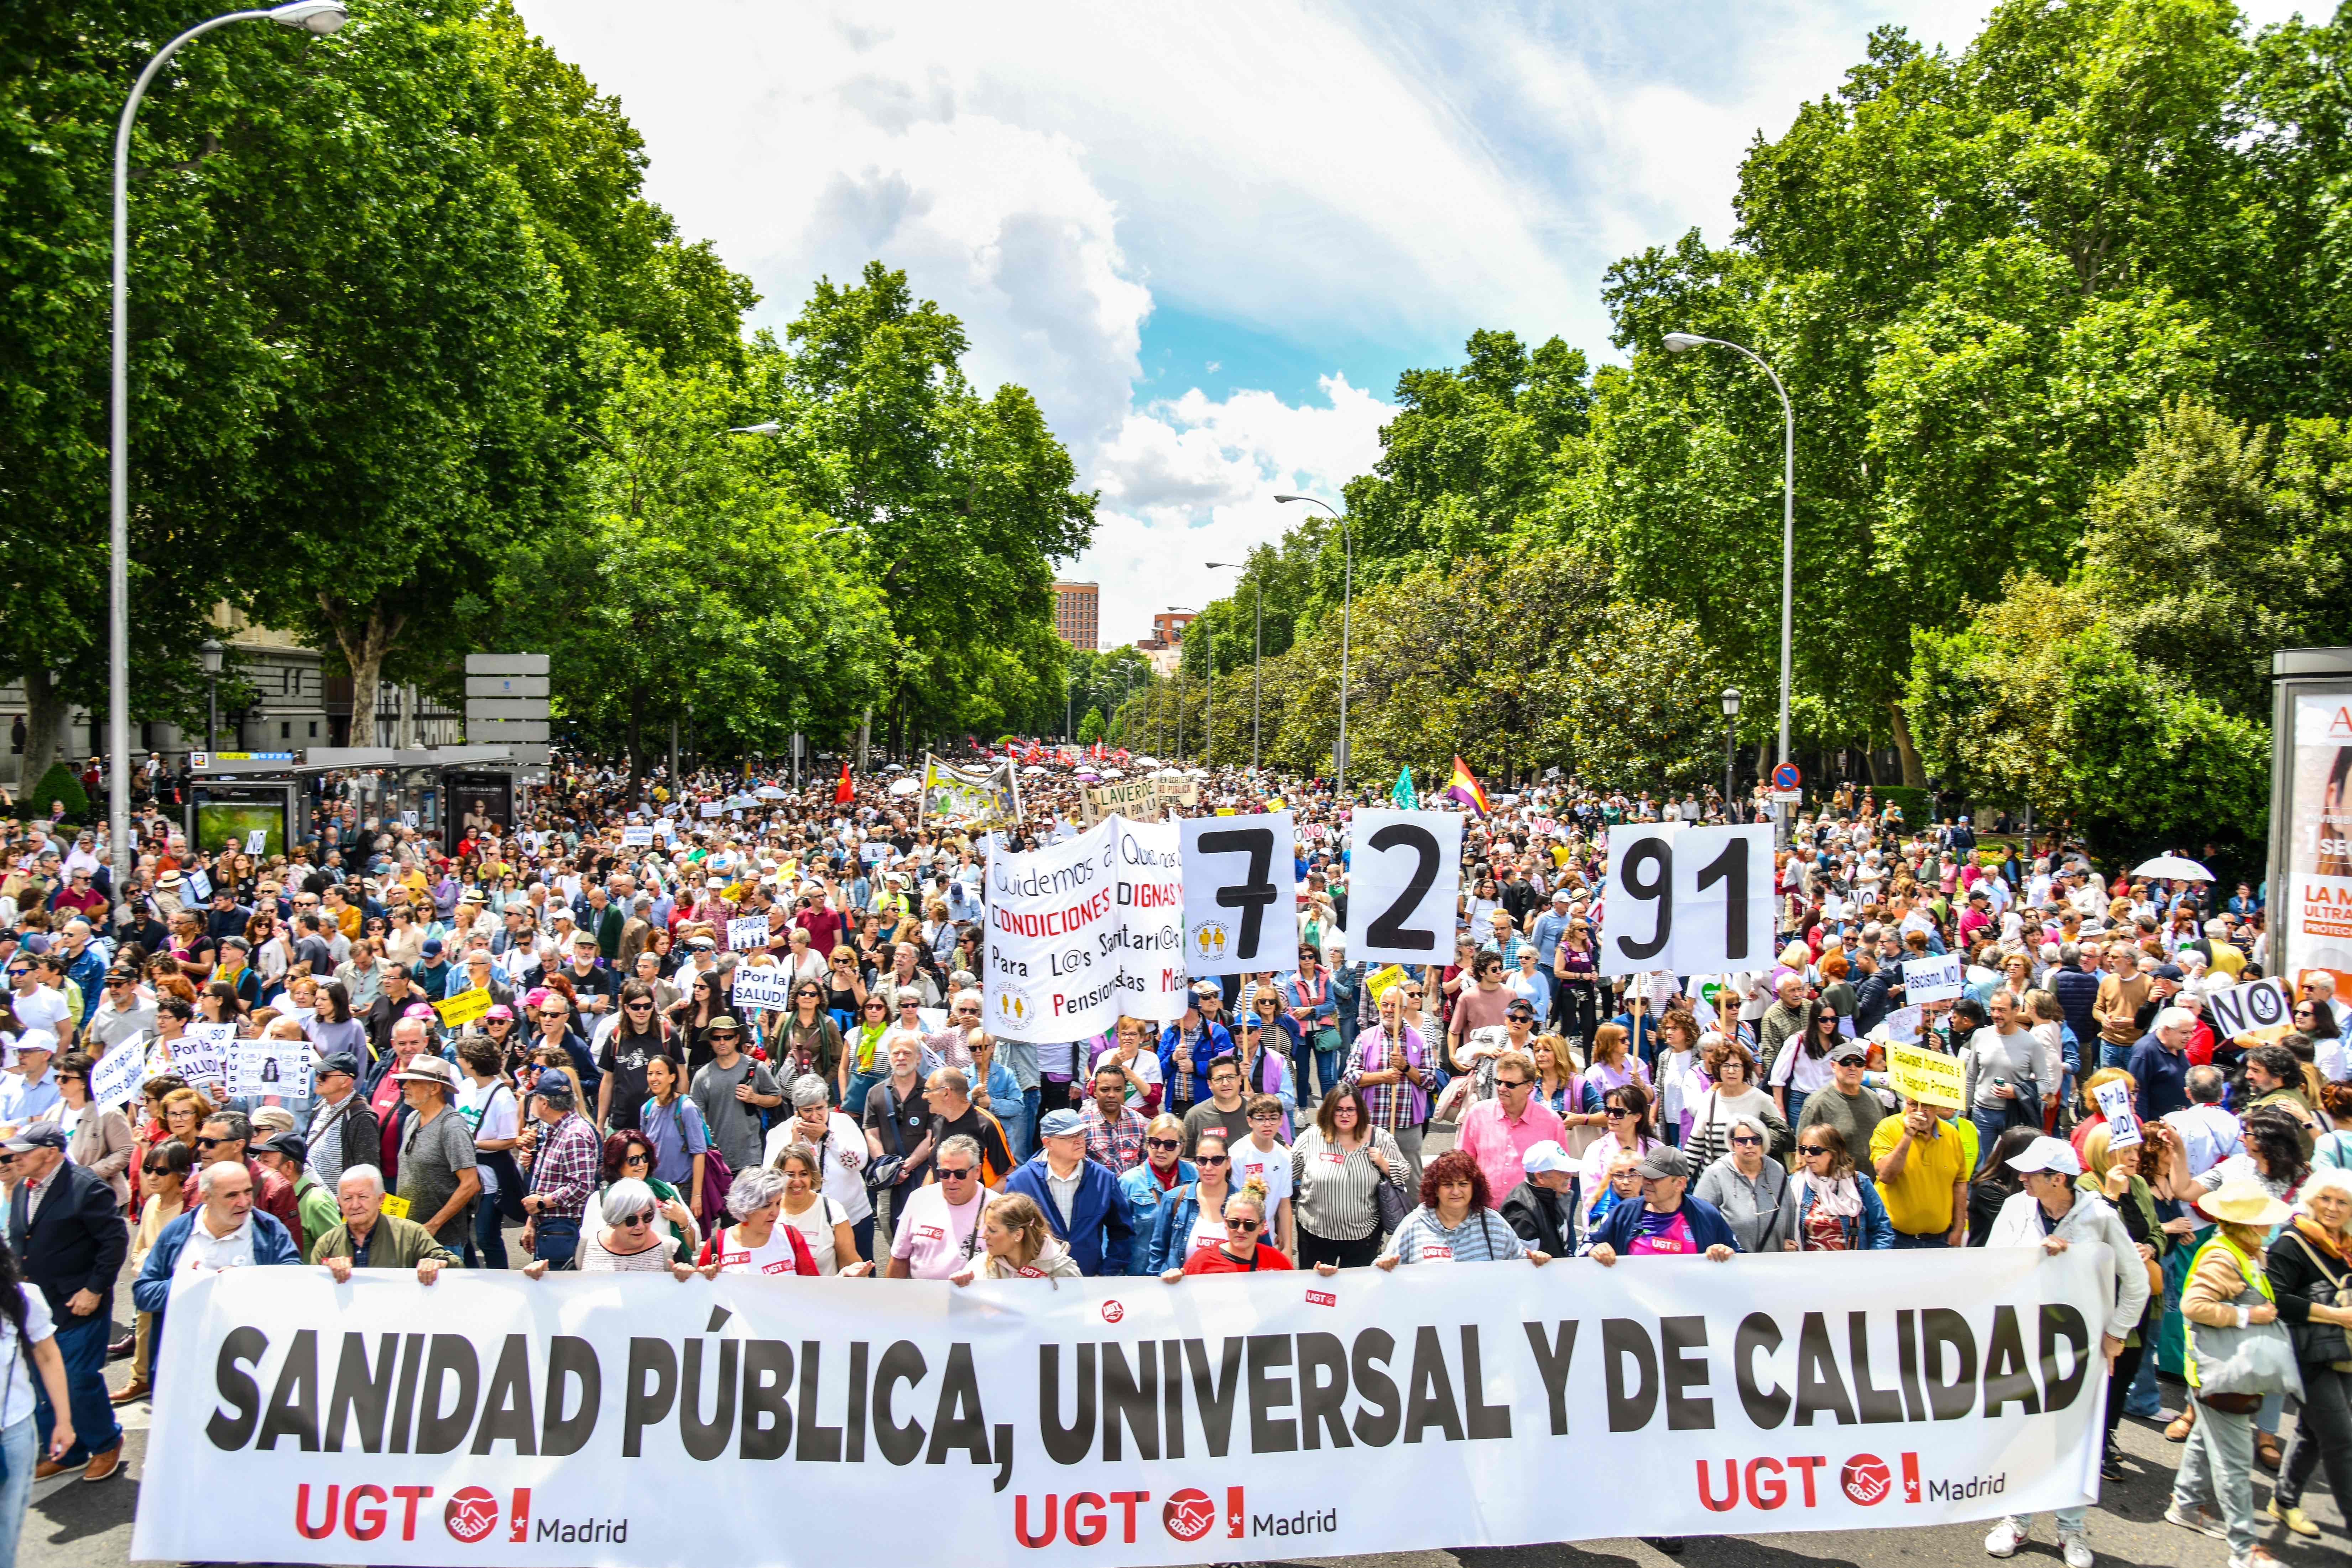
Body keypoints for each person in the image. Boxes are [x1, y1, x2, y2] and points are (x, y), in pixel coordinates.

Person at [1979, 1136, 2146, 1568]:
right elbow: (1990, 1264)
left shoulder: (2100, 1217)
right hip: (2022, 1340)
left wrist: (2115, 1333)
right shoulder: (2017, 1207)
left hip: (2080, 1347)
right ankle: (2016, 1518)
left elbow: (2136, 1281)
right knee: (2021, 1430)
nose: (2021, 1179)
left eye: (2032, 1173)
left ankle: (2070, 1529)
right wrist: (2038, 1256)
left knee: (2073, 1437)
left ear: (2058, 1178)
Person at [2166, 1179, 2299, 1566]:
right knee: (2235, 1461)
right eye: (2262, 1219)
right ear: (2249, 1224)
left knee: (2206, 1443)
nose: (2268, 1225)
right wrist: (2247, 1315)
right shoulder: (2222, 1257)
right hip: (2218, 1374)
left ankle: (2185, 1505)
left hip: (2218, 1371)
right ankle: (2244, 1549)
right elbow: (2193, 1305)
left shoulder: (2246, 1251)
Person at [2, 1125, 124, 1482]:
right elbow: (20, 1238)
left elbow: (114, 1241)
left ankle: (106, 1443)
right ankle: (67, 1451)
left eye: (24, 1151)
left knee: (77, 1379)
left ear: (51, 1152)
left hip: (78, 1305)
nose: (15, 1158)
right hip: (39, 1307)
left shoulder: (86, 1187)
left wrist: (94, 1289)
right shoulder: (24, 1187)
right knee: (42, 1379)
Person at [130, 1161, 301, 1368]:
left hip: (250, 1365)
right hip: (184, 1367)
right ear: (206, 1198)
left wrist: (247, 1281)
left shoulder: (270, 1230)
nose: (244, 1202)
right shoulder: (176, 1233)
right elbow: (144, 1294)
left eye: (248, 1192)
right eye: (232, 1195)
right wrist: (190, 1283)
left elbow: (294, 1283)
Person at [2263, 1168, 2352, 1538]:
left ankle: (2283, 1500)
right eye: (2325, 1198)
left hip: (2343, 1350)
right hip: (2305, 1353)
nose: (2331, 1208)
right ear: (2311, 1199)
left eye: (2341, 1201)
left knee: (2312, 1433)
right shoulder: (2291, 1241)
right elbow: (2277, 1299)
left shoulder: (2346, 1245)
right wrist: (2335, 1314)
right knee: (2342, 1439)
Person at [0, 1233, 76, 1562]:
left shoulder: (20, 1299)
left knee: (4, 1537)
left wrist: (64, 1420)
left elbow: (47, 1356)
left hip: (12, 1435)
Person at [1001, 1108, 1132, 1275]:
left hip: (1089, 1282)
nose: (1079, 1141)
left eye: (1081, 1134)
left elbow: (1122, 1232)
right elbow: (1008, 1234)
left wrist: (1108, 1273)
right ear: (1048, 1143)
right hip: (1036, 1286)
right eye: (1070, 1137)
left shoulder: (1104, 1179)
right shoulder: (1021, 1182)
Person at [1290, 1086, 1408, 1269]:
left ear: (1360, 1111)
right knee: (1317, 1294)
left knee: (1356, 1294)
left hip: (1362, 1237)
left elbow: (1404, 1173)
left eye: (1351, 1110)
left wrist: (1385, 1164)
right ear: (1329, 1110)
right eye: (1339, 1109)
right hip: (1315, 1235)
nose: (1345, 1115)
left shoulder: (1380, 1138)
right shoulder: (1312, 1137)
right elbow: (1287, 1173)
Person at [763, 1075, 874, 1265]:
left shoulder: (844, 1123)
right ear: (797, 1111)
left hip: (854, 1216)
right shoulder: (780, 1132)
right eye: (807, 1111)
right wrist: (795, 1144)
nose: (814, 1116)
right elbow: (771, 1179)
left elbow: (859, 1163)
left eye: (820, 1109)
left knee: (861, 1274)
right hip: (807, 1224)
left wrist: (828, 1137)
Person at [1378, 1147, 1551, 1267]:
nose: (1456, 1192)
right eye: (1447, 1185)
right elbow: (1380, 1268)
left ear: (1474, 1187)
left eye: (1463, 1184)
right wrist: (1385, 1265)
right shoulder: (1414, 1225)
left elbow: (1520, 1265)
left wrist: (1535, 1262)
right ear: (1435, 1189)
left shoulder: (1493, 1224)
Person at [114, 1141, 191, 1407]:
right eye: (148, 1169)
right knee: (144, 1330)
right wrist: (144, 1264)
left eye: (161, 1171)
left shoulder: (188, 1209)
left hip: (176, 1288)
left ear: (182, 1173)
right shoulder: (151, 1204)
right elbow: (138, 1250)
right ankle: (140, 1380)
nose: (152, 1176)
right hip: (150, 1285)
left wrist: (151, 1265)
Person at [1341, 982, 1436, 1182]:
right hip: (1372, 1124)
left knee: (1412, 1181)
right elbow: (1349, 1077)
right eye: (1385, 1005)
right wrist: (1382, 1077)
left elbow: (1430, 1082)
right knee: (1367, 1179)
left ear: (1404, 1009)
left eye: (1395, 1006)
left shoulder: (1421, 1041)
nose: (1389, 1010)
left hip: (1407, 1124)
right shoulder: (1365, 1039)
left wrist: (1406, 1068)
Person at [1586, 1144, 1741, 1262]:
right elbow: (1586, 1247)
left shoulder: (1706, 1215)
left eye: (1656, 1178)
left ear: (1680, 1183)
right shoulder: (1624, 1212)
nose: (1647, 1182)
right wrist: (1596, 1249)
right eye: (1645, 1176)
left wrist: (1725, 1252)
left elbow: (1739, 1256)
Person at [1457, 1048, 1569, 1209]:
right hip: (1483, 1211)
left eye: (1510, 1085)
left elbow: (1563, 1174)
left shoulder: (1551, 1123)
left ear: (1529, 1087)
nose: (1502, 1088)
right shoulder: (1478, 1113)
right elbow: (1463, 1162)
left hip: (1530, 1216)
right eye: (1499, 1082)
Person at [391, 1056, 481, 1254]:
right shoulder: (413, 1118)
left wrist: (433, 1226)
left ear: (435, 1088)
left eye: (414, 1082)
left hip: (441, 1243)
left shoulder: (452, 1127)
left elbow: (471, 1184)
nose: (405, 1086)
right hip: (410, 1237)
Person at [307, 1165, 460, 1280]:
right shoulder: (327, 1245)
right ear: (339, 1202)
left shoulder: (410, 1234)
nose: (355, 1205)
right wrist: (328, 1271)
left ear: (381, 1199)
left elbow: (456, 1264)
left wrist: (437, 1264)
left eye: (363, 1197)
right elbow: (314, 1287)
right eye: (348, 1199)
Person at [523, 1177, 698, 1277]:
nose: (641, 1226)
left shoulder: (669, 1249)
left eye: (648, 1217)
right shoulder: (587, 1247)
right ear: (613, 1221)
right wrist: (542, 1277)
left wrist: (689, 1276)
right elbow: (567, 1294)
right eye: (631, 1220)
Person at [517, 1080, 599, 1269]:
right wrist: (532, 1223)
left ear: (544, 1103)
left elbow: (583, 1186)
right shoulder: (556, 1129)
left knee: (557, 1293)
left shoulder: (575, 1134)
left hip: (564, 1233)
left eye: (535, 1098)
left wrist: (541, 1203)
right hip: (551, 1231)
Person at [886, 1134, 991, 1280]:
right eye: (945, 1173)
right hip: (924, 1299)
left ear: (977, 1172)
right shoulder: (919, 1199)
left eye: (960, 1174)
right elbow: (899, 1258)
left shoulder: (996, 1207)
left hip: (976, 1300)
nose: (952, 1180)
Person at [1870, 1095, 1971, 1247]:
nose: (1920, 1112)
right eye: (1913, 1105)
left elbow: (1960, 1182)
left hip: (1940, 1241)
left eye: (1927, 1106)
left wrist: (1958, 1229)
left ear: (1937, 1108)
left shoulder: (1951, 1134)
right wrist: (1908, 1136)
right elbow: (1885, 1175)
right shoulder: (1888, 1127)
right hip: (1895, 1238)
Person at [689, 1016, 781, 1174]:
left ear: (737, 1039)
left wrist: (756, 1098)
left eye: (728, 1037)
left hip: (751, 1158)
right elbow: (698, 1122)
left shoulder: (756, 1068)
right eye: (717, 1038)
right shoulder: (701, 1076)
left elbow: (777, 1098)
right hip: (717, 1161)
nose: (722, 1042)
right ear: (711, 1042)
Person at [1696, 1114, 1799, 1254]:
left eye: (1756, 1140)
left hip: (1774, 1266)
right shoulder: (1716, 1174)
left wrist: (1789, 1243)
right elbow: (1699, 1221)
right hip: (1731, 1267)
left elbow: (1790, 1214)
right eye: (1742, 1141)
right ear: (1732, 1144)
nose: (1750, 1145)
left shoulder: (1777, 1171)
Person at [1165, 1177, 1307, 1277]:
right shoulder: (1202, 1261)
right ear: (1226, 1224)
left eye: (1249, 1225)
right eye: (1234, 1223)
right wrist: (1173, 1279)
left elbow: (1294, 1296)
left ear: (1263, 1227)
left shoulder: (1276, 1261)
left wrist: (1322, 1278)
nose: (1241, 1230)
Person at [55, 1053, 133, 1214]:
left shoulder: (109, 1113)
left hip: (101, 1198)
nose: (59, 1082)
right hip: (63, 1198)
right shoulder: (53, 1113)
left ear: (84, 1082)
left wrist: (89, 1173)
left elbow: (126, 1152)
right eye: (58, 1077)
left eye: (66, 1078)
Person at [952, 1192, 1083, 1283]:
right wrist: (961, 1285)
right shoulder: (979, 1266)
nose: (984, 1236)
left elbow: (1079, 1314)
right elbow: (964, 1314)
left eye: (992, 1230)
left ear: (1018, 1235)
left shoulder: (1063, 1270)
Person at [1798, 1038, 1886, 1154]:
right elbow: (1802, 1154)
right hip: (1836, 1172)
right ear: (1833, 1066)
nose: (1853, 1068)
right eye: (1846, 1062)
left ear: (1864, 1067)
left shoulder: (1875, 1100)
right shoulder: (1817, 1104)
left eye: (1859, 1063)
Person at [1500, 1139, 1580, 1258]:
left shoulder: (1554, 1196)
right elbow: (1520, 1267)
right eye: (1562, 1171)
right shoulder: (1521, 1215)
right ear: (1540, 1177)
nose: (1569, 1175)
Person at [1180, 1055, 1254, 1157]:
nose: (1225, 1083)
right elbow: (1186, 1160)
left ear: (1240, 1079)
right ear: (1210, 1084)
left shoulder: (1256, 1111)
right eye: (1219, 1079)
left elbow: (1276, 1147)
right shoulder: (1195, 1116)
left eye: (1231, 1077)